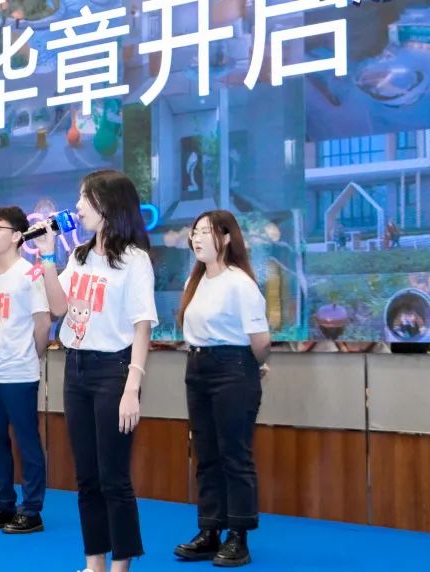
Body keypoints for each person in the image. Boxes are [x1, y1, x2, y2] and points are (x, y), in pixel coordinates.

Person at [32, 170, 156, 572]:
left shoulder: (134, 260)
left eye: (85, 198)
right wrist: (47, 257)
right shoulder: (80, 255)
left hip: (114, 371)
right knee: (86, 477)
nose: (78, 206)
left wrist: (132, 387)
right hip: (77, 368)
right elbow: (59, 308)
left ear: (108, 204)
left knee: (113, 477)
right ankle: (94, 563)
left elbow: (142, 327)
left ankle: (121, 565)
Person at [173, 210, 270, 567]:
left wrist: (252, 366)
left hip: (233, 369)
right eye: (195, 232)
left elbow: (261, 341)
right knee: (207, 454)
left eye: (206, 232)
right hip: (198, 368)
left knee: (235, 455)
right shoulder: (194, 281)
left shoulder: (240, 283)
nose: (196, 238)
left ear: (227, 238)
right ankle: (210, 530)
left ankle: (238, 536)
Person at [0, 206, 51, 534]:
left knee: (27, 442)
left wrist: (31, 357)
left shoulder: (29, 274)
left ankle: (31, 510)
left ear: (18, 236)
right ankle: (2, 504)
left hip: (19, 373)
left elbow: (43, 324)